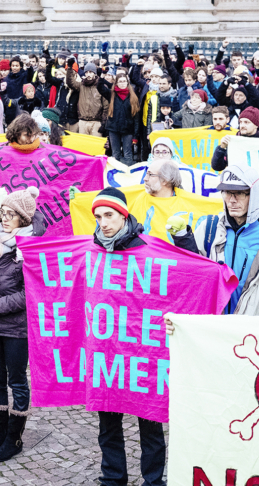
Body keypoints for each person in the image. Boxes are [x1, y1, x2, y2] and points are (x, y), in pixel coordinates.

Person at [87, 187, 166, 486]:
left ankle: (154, 481)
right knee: (107, 426)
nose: (103, 223)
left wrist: (183, 238)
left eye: (109, 215)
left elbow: (181, 273)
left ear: (123, 215)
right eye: (98, 217)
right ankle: (113, 478)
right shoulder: (91, 250)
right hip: (107, 356)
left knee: (150, 428)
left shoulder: (148, 249)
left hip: (143, 357)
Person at [169, 165, 259, 316]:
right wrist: (183, 241)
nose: (232, 200)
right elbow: (191, 276)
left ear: (254, 194)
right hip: (214, 329)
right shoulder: (209, 228)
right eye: (227, 192)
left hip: (253, 335)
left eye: (240, 193)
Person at [0, 187, 45, 463]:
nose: (5, 218)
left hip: (15, 329)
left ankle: (14, 438)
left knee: (16, 382)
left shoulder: (31, 248)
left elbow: (29, 294)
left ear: (24, 220)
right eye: (3, 212)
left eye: (12, 214)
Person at [101, 73, 140, 166]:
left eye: (124, 81)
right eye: (120, 81)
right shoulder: (111, 94)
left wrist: (135, 135)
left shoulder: (133, 96)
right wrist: (102, 78)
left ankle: (128, 174)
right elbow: (100, 88)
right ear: (116, 83)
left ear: (127, 82)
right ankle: (115, 174)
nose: (122, 83)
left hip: (128, 129)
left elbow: (136, 117)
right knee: (115, 154)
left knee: (128, 154)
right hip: (113, 128)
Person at [211, 107, 259, 171]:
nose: (242, 125)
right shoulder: (233, 142)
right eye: (240, 122)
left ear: (256, 125)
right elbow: (217, 167)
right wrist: (221, 148)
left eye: (246, 122)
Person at [65, 59, 107, 136]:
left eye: (90, 72)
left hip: (96, 122)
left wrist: (104, 123)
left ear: (94, 73)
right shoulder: (81, 85)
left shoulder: (101, 86)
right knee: (83, 147)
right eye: (86, 72)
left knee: (95, 146)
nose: (88, 74)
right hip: (82, 121)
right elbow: (70, 83)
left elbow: (106, 106)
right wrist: (70, 68)